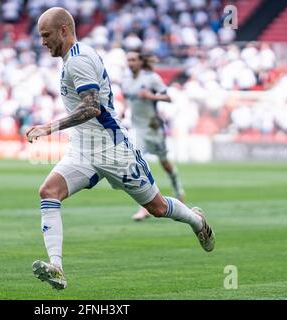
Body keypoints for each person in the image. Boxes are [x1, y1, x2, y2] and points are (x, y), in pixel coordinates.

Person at [26, 7, 215, 291]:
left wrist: (49, 128)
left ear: (64, 30)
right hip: (83, 150)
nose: (43, 42)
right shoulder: (71, 58)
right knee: (48, 192)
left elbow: (92, 107)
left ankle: (196, 220)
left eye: (46, 35)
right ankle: (57, 268)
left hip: (113, 150)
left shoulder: (78, 61)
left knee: (157, 207)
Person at [122, 50, 185, 222]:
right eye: (128, 60)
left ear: (141, 62)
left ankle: (179, 191)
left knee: (165, 164)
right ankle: (144, 207)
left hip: (153, 128)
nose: (131, 63)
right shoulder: (126, 81)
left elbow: (168, 97)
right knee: (138, 164)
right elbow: (129, 101)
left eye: (134, 59)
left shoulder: (151, 78)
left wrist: (150, 96)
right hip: (137, 129)